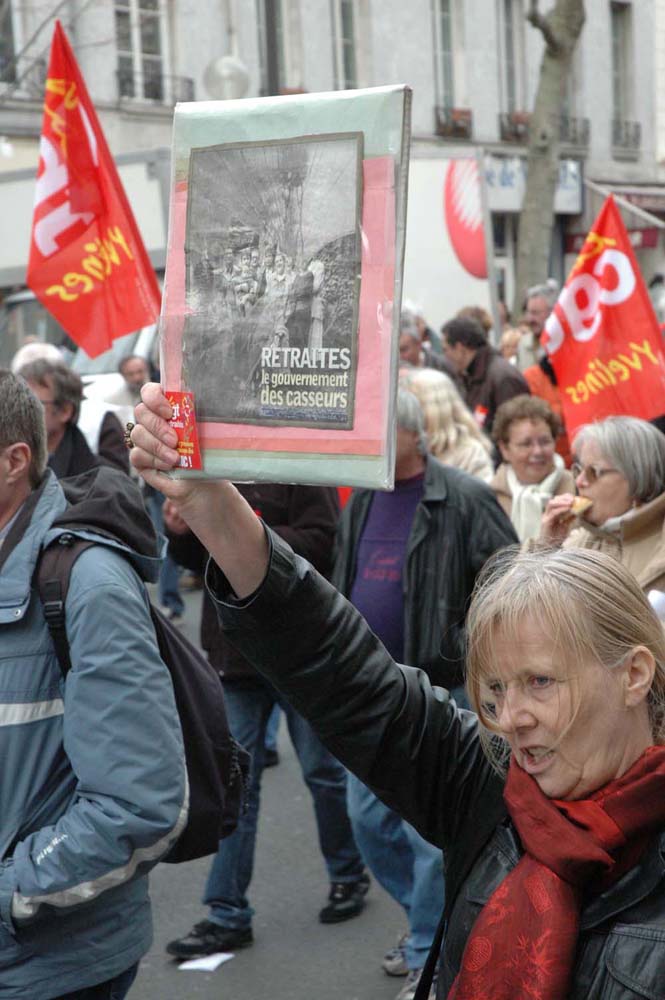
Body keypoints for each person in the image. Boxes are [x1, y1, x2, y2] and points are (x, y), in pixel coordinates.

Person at [130, 383, 665, 999]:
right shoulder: (492, 783)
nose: (511, 719)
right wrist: (208, 502)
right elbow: (344, 672)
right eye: (493, 692)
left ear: (633, 674)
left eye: (540, 683)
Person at [0, 371, 187, 999]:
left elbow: (140, 804)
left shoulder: (90, 584)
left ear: (13, 461)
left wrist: (7, 894)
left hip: (52, 969)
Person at [333, 389, 517, 1000]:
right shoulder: (362, 499)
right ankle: (441, 923)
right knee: (368, 823)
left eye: (379, 432)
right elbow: (341, 583)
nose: (369, 445)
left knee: (429, 837)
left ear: (412, 436)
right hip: (370, 690)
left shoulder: (461, 498)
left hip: (442, 692)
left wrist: (459, 647)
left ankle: (425, 951)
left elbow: (507, 584)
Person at [163, 482, 370, 960]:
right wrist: (181, 533)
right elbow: (201, 564)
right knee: (237, 785)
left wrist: (241, 527)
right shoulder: (216, 469)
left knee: (323, 773)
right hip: (235, 654)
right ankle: (226, 912)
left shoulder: (295, 466)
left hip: (299, 651)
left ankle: (347, 875)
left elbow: (322, 542)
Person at [540, 416, 665, 590]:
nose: (579, 482)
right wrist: (546, 548)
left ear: (636, 474)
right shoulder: (577, 542)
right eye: (578, 470)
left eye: (594, 472)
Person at [17, 358, 129, 478]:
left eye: (31, 404)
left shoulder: (93, 480)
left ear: (65, 411)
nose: (18, 411)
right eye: (16, 402)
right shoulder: (12, 463)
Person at [490, 395, 575, 541]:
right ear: (504, 449)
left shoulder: (578, 490)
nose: (537, 451)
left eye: (545, 442)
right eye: (526, 444)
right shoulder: (490, 499)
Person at [399, 368, 493, 482]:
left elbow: (480, 496)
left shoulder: (470, 453)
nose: (406, 415)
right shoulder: (409, 449)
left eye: (412, 406)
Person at [441, 316, 529, 435]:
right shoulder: (472, 377)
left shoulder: (503, 378)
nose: (445, 357)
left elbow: (517, 432)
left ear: (460, 348)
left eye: (446, 350)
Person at [519, 278, 560, 370]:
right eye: (528, 313)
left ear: (550, 313)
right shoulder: (523, 345)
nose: (530, 319)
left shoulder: (560, 345)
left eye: (535, 313)